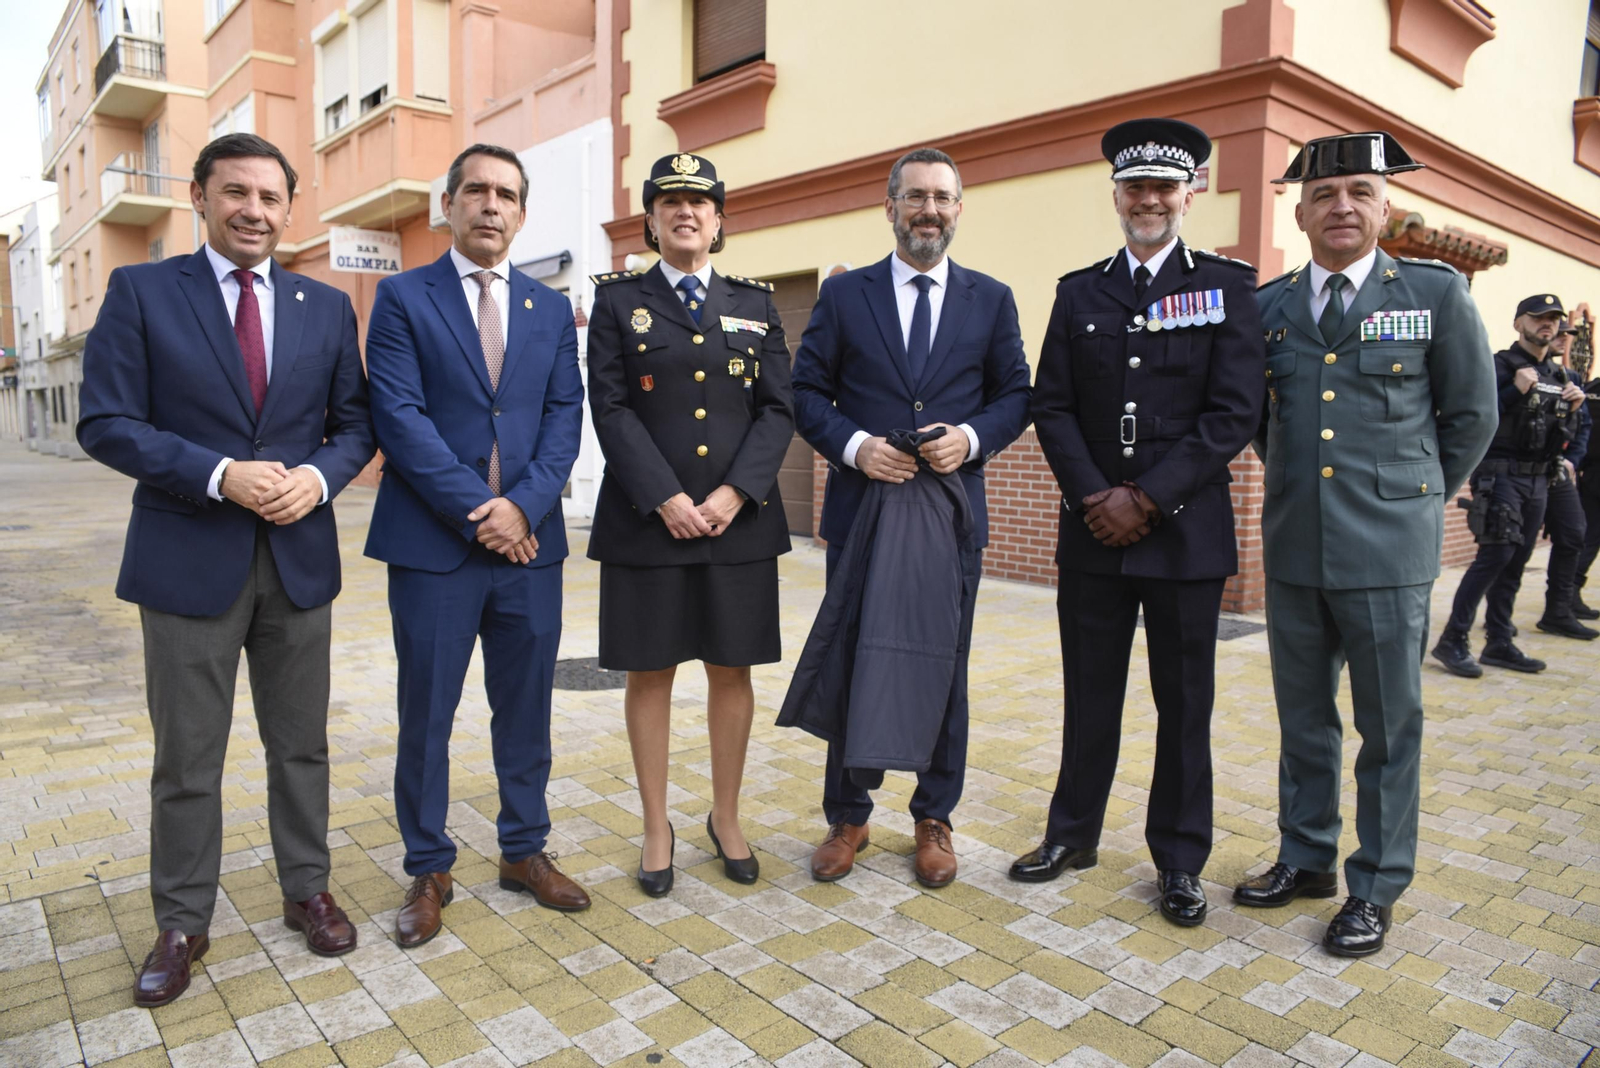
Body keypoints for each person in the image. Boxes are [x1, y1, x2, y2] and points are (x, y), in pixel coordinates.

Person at [76, 133, 375, 1005]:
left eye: (270, 196)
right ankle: (181, 922)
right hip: (184, 561)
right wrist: (218, 474)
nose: (254, 209)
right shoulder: (140, 292)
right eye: (234, 191)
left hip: (297, 562)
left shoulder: (324, 306)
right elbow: (106, 421)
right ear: (200, 198)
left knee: (302, 746)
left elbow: (353, 425)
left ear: (291, 208)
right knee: (187, 759)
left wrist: (318, 479)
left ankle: (306, 889)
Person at [1236, 132, 1496, 957]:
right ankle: (1306, 857)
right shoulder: (1269, 308)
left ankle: (1375, 886)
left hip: (1389, 554)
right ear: (1300, 209)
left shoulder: (1434, 293)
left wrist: (1408, 497)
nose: (1340, 206)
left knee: (1390, 728)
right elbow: (1260, 426)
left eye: (1357, 192)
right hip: (1297, 546)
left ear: (1385, 207)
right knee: (1305, 721)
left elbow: (1472, 418)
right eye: (1324, 194)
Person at [1013, 119, 1265, 928]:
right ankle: (1072, 834)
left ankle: (1181, 860)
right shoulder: (1080, 290)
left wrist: (1147, 499)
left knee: (1184, 704)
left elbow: (1232, 414)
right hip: (1093, 533)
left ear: (1188, 194)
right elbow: (1050, 407)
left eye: (1165, 186)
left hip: (1185, 533)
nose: (1150, 199)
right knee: (1090, 695)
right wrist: (1097, 498)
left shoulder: (1227, 286)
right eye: (1135, 187)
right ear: (1116, 195)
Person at [365, 143, 589, 947]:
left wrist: (524, 509)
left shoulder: (547, 307)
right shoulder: (402, 298)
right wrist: (482, 510)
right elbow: (399, 418)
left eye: (506, 194)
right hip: (435, 547)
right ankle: (428, 867)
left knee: (524, 711)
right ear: (449, 205)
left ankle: (523, 850)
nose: (491, 205)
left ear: (521, 213)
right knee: (425, 713)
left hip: (530, 550)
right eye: (476, 191)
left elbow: (566, 417)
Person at [791, 147, 1031, 888]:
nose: (930, 210)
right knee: (855, 650)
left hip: (950, 515)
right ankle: (849, 813)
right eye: (916, 196)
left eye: (943, 198)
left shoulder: (990, 299)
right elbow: (805, 394)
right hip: (866, 508)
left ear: (960, 209)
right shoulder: (844, 296)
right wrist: (857, 448)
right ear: (889, 206)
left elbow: (1017, 394)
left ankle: (934, 814)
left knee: (943, 659)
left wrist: (973, 438)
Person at [585, 152, 794, 896]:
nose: (685, 212)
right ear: (649, 218)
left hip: (737, 525)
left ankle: (727, 817)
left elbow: (778, 406)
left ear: (719, 220)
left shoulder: (754, 302)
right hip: (649, 524)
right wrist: (665, 497)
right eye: (669, 200)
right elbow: (608, 407)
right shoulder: (618, 303)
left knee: (730, 670)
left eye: (699, 202)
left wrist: (738, 493)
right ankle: (654, 825)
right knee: (650, 673)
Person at [1431, 294, 1593, 678]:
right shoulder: (1497, 367)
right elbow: (1470, 417)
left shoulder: (1561, 377)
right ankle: (1453, 639)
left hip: (1538, 477)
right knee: (1496, 554)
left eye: (1553, 320)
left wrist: (1572, 410)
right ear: (1518, 323)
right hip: (1498, 472)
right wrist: (1512, 390)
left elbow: (1565, 434)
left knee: (1517, 560)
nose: (1548, 325)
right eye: (1539, 318)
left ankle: (1499, 641)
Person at [1565, 304, 1600, 618]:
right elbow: (1588, 432)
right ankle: (1568, 596)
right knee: (1589, 537)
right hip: (1595, 478)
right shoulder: (1596, 390)